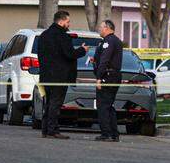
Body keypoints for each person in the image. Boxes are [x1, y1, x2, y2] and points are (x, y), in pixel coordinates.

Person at [37, 10, 87, 139]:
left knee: (48, 103)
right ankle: (53, 130)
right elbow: (69, 54)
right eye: (68, 21)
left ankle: (46, 129)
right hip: (60, 76)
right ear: (61, 21)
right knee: (56, 103)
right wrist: (82, 50)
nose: (69, 24)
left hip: (45, 76)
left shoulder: (43, 35)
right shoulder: (63, 36)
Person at [92, 19, 124, 142]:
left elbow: (105, 60)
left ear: (107, 28)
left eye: (101, 27)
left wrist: (99, 78)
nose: (100, 29)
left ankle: (107, 133)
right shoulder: (114, 41)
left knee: (103, 106)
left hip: (108, 77)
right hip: (113, 76)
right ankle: (114, 133)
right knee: (109, 105)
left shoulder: (109, 42)